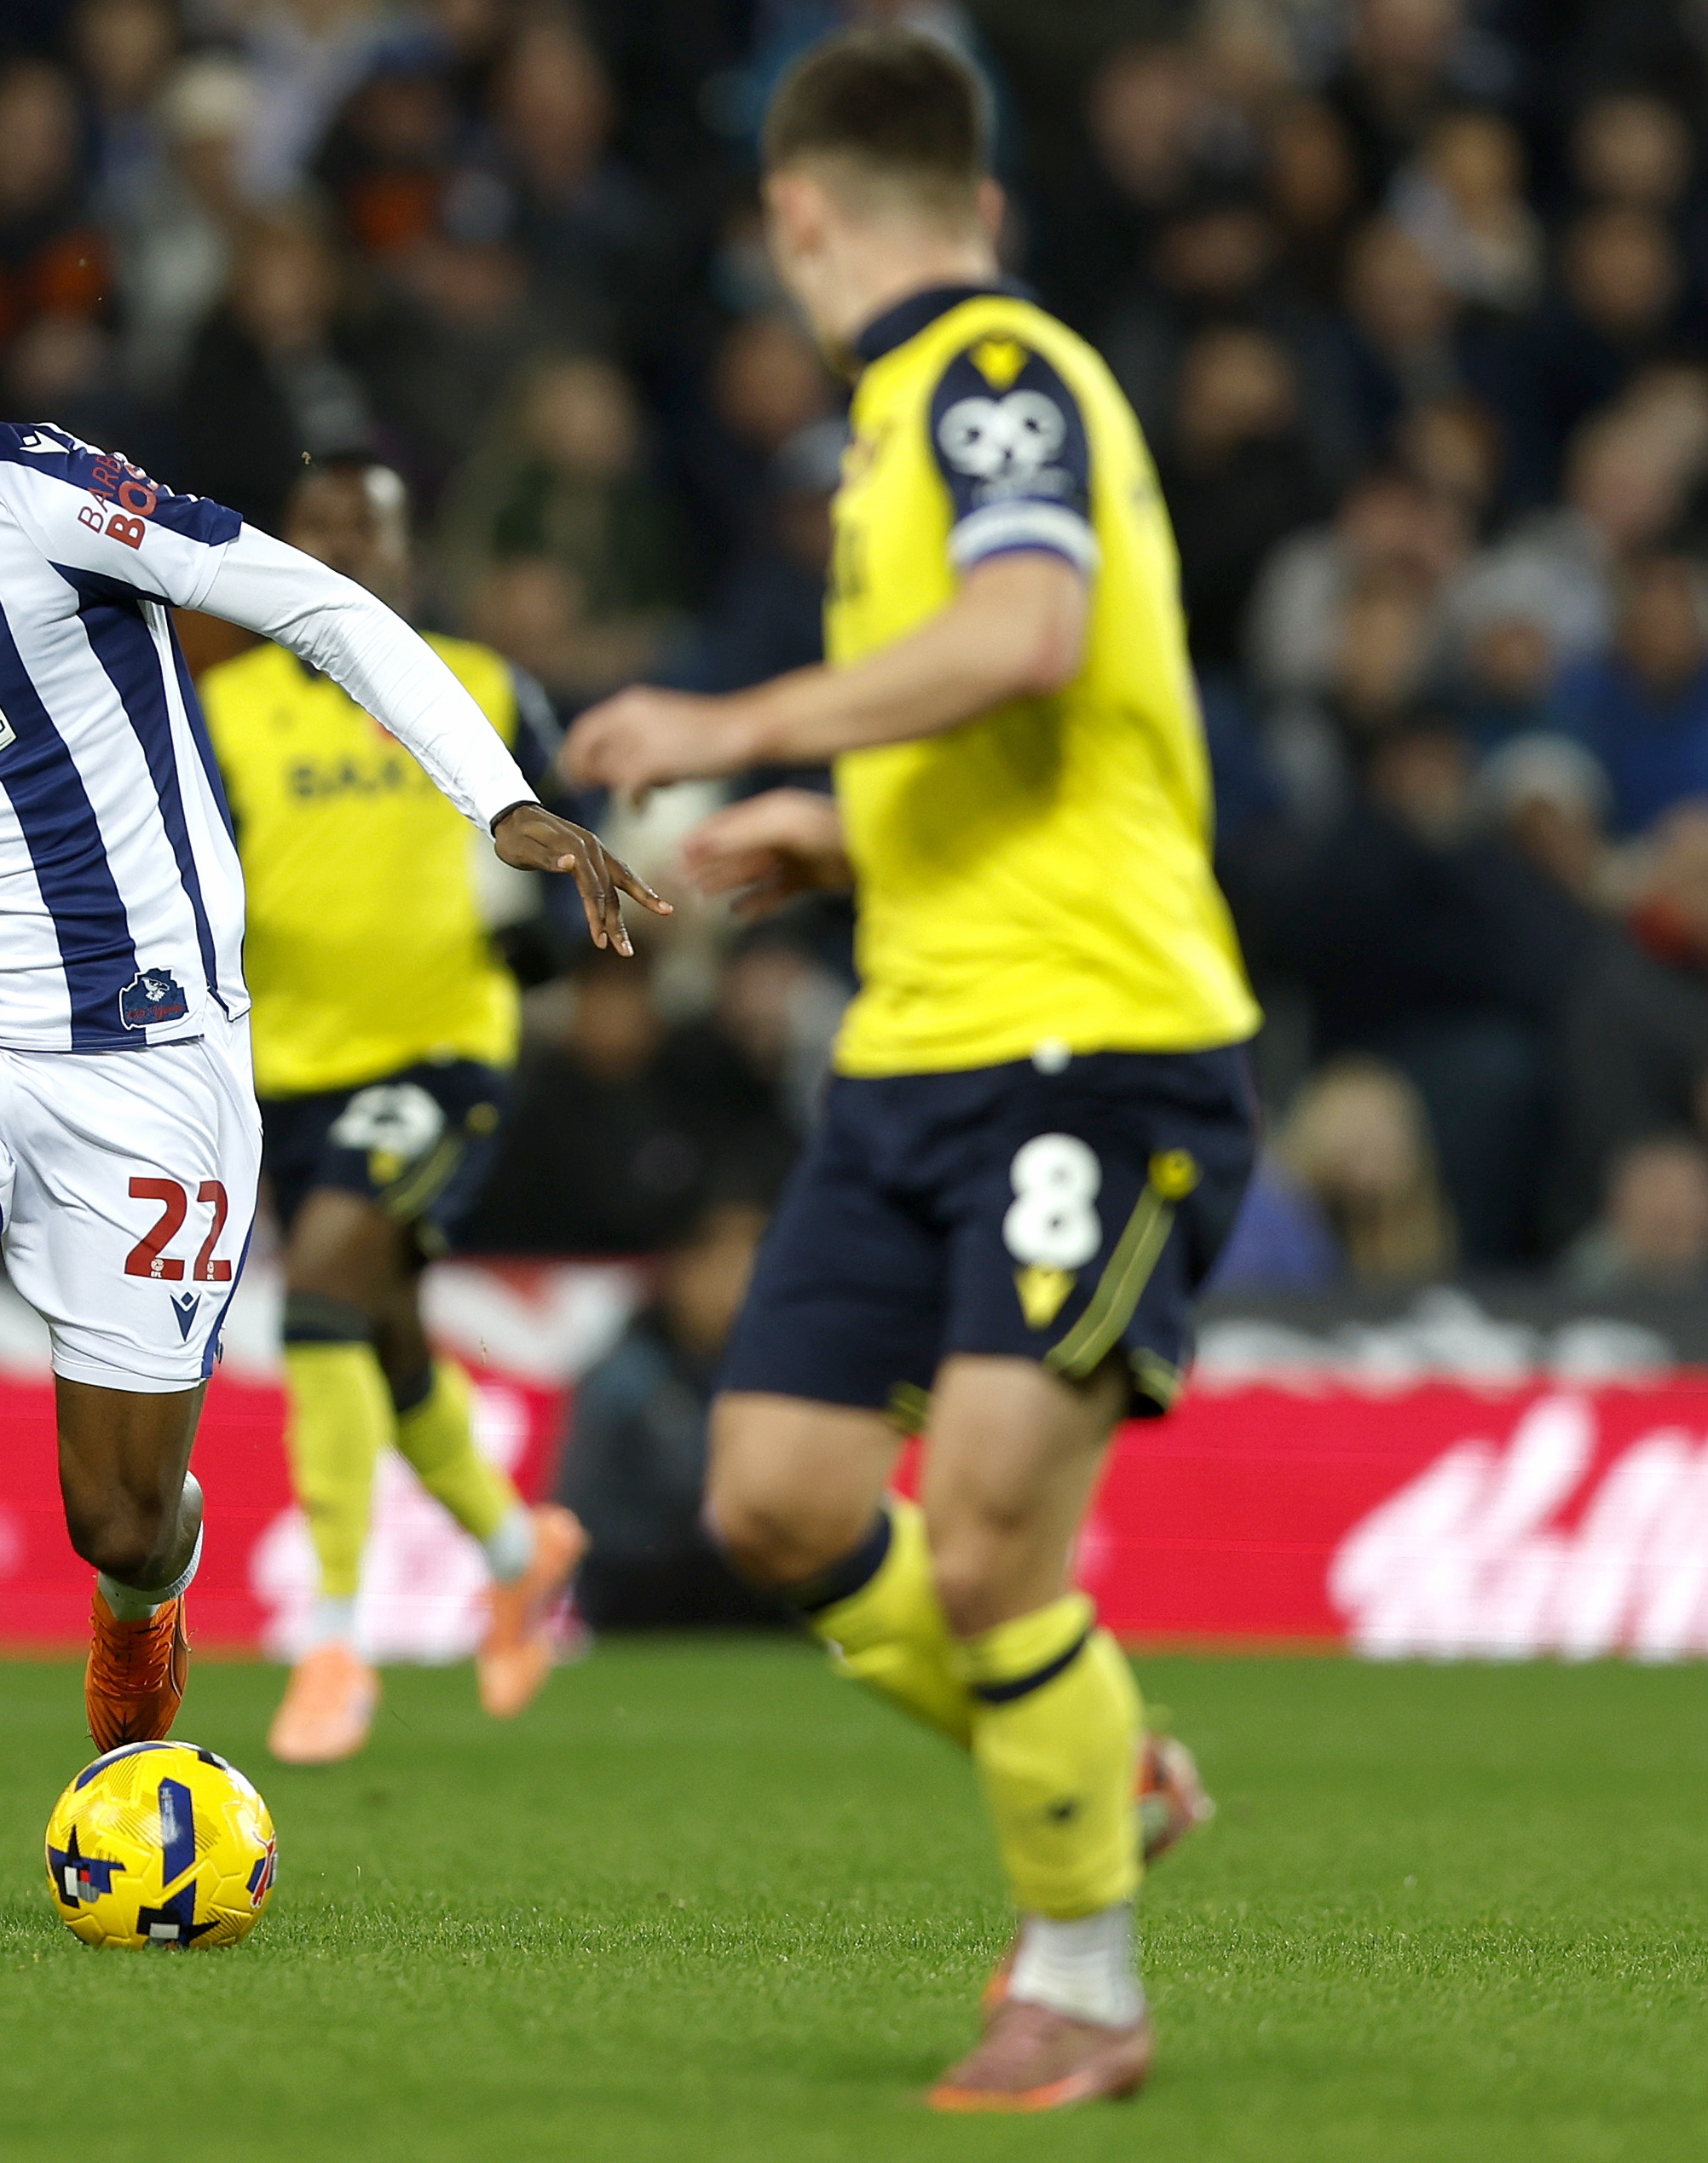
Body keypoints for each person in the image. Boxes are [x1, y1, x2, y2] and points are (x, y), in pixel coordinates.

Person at [0, 241, 658, 1943]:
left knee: (117, 1511)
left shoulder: (21, 491)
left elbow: (310, 602)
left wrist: (497, 803)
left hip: (148, 1064)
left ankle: (139, 1604)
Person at [559, 32, 1257, 2113]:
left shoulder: (983, 378)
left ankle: (1082, 1980)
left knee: (975, 1551)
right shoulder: (900, 418)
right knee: (772, 1499)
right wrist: (840, 831)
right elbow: (1042, 736)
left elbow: (1033, 633)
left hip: (1095, 1049)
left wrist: (739, 727)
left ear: (794, 214)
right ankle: (1088, 1753)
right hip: (917, 1054)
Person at [193, 453, 588, 1765]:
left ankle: (334, 1636)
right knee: (383, 1324)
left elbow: (548, 838)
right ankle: (519, 1551)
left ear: (409, 553)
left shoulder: (472, 685)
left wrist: (548, 937)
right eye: (318, 529)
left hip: (437, 1051)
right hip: (285, 1067)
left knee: (321, 1286)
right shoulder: (222, 709)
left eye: (369, 528)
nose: (344, 549)